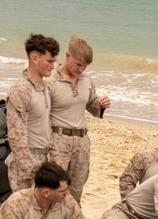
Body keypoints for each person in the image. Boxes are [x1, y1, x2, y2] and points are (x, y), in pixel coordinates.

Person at [47, 36, 110, 203]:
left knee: (76, 190)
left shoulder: (87, 81)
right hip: (58, 140)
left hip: (81, 142)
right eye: (78, 64)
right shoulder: (50, 80)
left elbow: (93, 107)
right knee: (54, 188)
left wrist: (101, 105)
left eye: (85, 66)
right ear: (67, 56)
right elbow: (39, 117)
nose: (81, 69)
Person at [5, 33, 58, 192]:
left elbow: (47, 125)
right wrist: (31, 173)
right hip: (27, 165)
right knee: (26, 215)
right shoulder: (21, 91)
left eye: (54, 62)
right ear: (35, 58)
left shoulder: (45, 87)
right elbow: (16, 136)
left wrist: (55, 159)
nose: (53, 66)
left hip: (44, 161)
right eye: (49, 61)